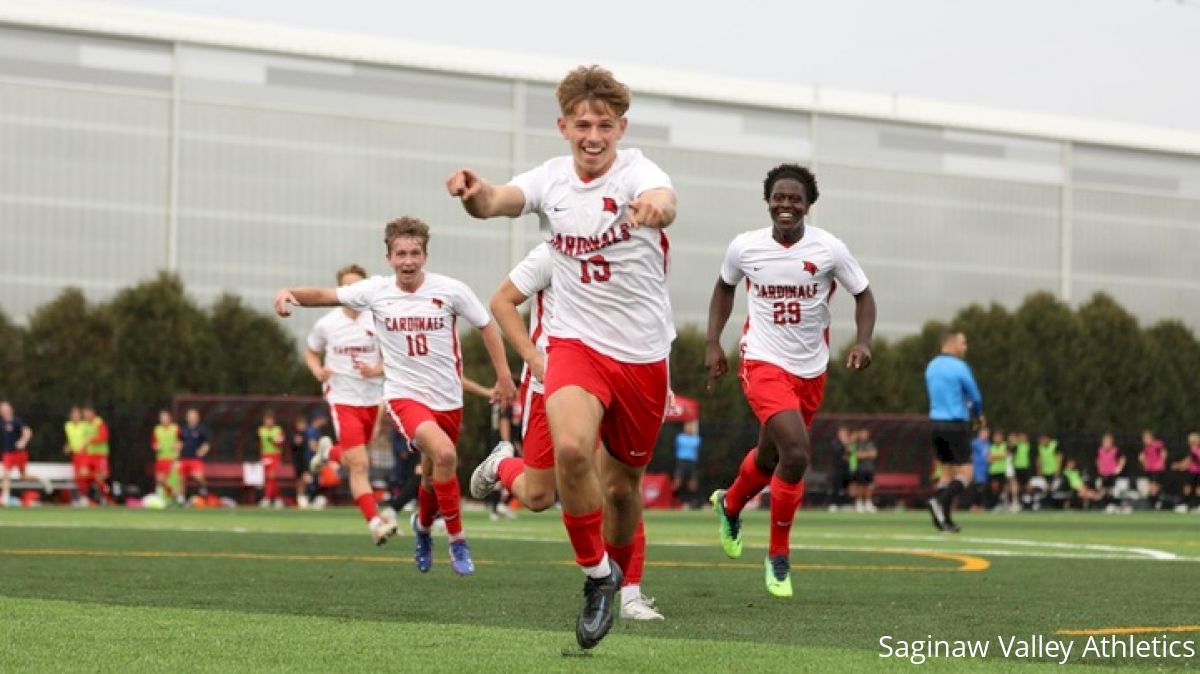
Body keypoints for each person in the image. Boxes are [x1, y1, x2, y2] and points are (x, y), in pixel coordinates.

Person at [447, 66, 675, 647]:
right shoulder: (551, 181)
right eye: (582, 124)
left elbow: (663, 198)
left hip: (644, 356)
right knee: (574, 449)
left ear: (621, 128)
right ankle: (599, 578)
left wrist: (654, 208)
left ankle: (621, 578)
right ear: (563, 127)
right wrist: (477, 194)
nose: (593, 135)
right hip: (574, 348)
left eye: (604, 124)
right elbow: (500, 199)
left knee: (622, 489)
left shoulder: (638, 171)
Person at [275, 216, 516, 576]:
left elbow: (486, 325)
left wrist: (503, 375)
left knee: (435, 475)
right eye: (401, 253)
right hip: (404, 397)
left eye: (414, 253)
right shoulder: (376, 290)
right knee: (446, 453)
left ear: (425, 255)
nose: (408, 261)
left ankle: (421, 529)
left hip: (448, 399)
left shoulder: (450, 290)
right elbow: (326, 296)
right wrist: (289, 293)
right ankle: (458, 540)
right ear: (388, 257)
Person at [705, 162, 876, 599]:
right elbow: (724, 288)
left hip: (811, 369)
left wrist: (864, 342)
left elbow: (864, 294)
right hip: (762, 360)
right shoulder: (745, 247)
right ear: (768, 201)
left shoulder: (829, 249)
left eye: (795, 199)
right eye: (779, 197)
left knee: (769, 457)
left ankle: (730, 503)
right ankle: (778, 554)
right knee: (796, 453)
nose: (786, 205)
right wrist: (713, 343)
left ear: (808, 205)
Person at [471, 241, 663, 621]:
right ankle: (502, 464)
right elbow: (501, 302)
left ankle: (628, 592)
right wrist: (532, 357)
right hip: (551, 385)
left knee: (618, 484)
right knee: (539, 496)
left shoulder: (632, 252)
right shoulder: (554, 251)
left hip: (609, 381)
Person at [303, 264, 395, 543]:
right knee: (359, 464)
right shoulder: (327, 323)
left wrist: (375, 370)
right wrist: (317, 370)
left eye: (358, 285)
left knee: (354, 457)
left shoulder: (378, 320)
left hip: (371, 398)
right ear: (341, 290)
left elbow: (393, 357)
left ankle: (328, 452)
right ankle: (375, 522)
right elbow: (310, 351)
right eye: (348, 286)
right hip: (342, 398)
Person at [924, 330, 984, 533]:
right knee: (967, 473)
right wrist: (978, 414)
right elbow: (974, 395)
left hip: (935, 424)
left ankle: (945, 521)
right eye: (963, 343)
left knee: (947, 474)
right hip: (955, 424)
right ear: (951, 344)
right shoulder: (959, 366)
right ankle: (938, 501)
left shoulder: (931, 366)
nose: (965, 347)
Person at [1, 401, 33, 507]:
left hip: (19, 454)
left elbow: (27, 431)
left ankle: (42, 481)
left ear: (10, 409)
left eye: (5, 408)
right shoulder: (1, 423)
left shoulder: (17, 421)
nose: (4, 410)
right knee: (6, 474)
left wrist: (23, 441)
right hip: (8, 454)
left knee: (24, 476)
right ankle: (5, 498)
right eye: (2, 409)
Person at [81, 404, 112, 504]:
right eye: (84, 413)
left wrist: (92, 440)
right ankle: (90, 497)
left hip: (100, 455)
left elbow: (104, 436)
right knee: (83, 474)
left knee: (100, 478)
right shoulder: (85, 424)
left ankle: (106, 497)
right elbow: (85, 439)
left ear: (92, 413)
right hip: (89, 455)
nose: (85, 414)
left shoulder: (99, 422)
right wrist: (83, 448)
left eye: (87, 412)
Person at [178, 408, 210, 503]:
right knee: (181, 478)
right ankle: (181, 499)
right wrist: (177, 453)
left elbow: (206, 444)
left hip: (195, 459)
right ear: (187, 418)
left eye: (194, 416)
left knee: (198, 476)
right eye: (190, 416)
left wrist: (202, 451)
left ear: (197, 418)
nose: (192, 418)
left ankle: (203, 489)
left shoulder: (201, 429)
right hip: (184, 458)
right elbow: (180, 442)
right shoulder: (183, 429)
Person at [151, 409, 182, 502]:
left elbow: (180, 441)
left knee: (174, 480)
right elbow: (154, 443)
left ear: (170, 418)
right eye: (162, 418)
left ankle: (178, 497)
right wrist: (156, 447)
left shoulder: (175, 428)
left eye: (165, 417)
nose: (164, 419)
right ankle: (161, 496)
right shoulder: (157, 429)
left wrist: (177, 451)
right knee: (159, 480)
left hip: (172, 459)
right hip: (161, 458)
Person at [63, 406, 92, 505]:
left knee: (83, 474)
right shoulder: (68, 426)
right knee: (77, 477)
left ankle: (85, 497)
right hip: (75, 455)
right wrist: (68, 446)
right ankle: (80, 497)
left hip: (84, 454)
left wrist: (84, 447)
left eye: (77, 414)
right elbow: (70, 440)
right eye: (73, 414)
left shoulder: (85, 425)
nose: (75, 416)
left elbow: (89, 438)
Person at [257, 410, 285, 508]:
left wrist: (274, 441)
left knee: (272, 476)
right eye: (267, 420)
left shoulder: (278, 430)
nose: (268, 422)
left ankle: (267, 498)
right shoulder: (261, 430)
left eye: (270, 420)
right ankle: (278, 498)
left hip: (275, 456)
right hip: (265, 456)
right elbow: (259, 444)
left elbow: (280, 443)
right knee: (269, 479)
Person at [673, 420, 701, 509]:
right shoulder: (680, 438)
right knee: (677, 482)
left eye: (690, 427)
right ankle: (673, 501)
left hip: (692, 463)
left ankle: (691, 502)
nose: (689, 428)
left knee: (692, 484)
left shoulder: (697, 439)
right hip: (682, 462)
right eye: (687, 426)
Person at [850, 428, 878, 513]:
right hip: (859, 469)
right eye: (862, 433)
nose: (864, 435)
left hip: (869, 469)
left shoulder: (871, 443)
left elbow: (874, 454)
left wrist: (864, 454)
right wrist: (867, 454)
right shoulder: (856, 444)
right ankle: (859, 503)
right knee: (860, 486)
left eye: (865, 433)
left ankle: (868, 503)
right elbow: (856, 455)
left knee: (869, 486)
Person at [1139, 430, 1168, 509]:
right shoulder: (1145, 447)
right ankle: (1154, 503)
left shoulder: (1158, 444)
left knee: (1155, 487)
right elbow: (1143, 457)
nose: (1144, 440)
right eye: (1143, 439)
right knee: (1151, 487)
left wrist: (1161, 462)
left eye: (1146, 438)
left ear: (1150, 438)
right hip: (1150, 469)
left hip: (1157, 469)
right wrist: (1144, 463)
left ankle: (1158, 502)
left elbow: (1164, 453)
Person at [1096, 433, 1125, 511]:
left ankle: (1114, 505)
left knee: (1110, 490)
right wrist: (1099, 468)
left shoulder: (1115, 450)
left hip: (1112, 473)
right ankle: (1105, 505)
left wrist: (1119, 468)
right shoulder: (1100, 450)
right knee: (1102, 490)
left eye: (1108, 442)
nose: (1106, 443)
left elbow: (1122, 459)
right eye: (1105, 441)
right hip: (1103, 473)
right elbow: (1098, 460)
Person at [1173, 432, 1200, 512]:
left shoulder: (1194, 450)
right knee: (1197, 489)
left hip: (1193, 472)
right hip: (1196, 472)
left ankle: (1183, 505)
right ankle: (1196, 506)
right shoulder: (1197, 450)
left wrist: (1177, 466)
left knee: (1188, 489)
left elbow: (1187, 461)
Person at [827, 426, 852, 511]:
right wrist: (844, 444)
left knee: (845, 487)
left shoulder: (848, 443)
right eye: (842, 433)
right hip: (837, 469)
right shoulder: (835, 443)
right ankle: (833, 504)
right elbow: (837, 452)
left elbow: (849, 454)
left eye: (845, 433)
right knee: (836, 487)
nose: (843, 435)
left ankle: (844, 504)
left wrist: (847, 446)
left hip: (846, 468)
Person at [968, 427, 992, 510]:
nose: (986, 435)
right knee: (977, 486)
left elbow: (988, 455)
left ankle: (980, 505)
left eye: (987, 433)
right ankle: (974, 505)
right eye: (984, 433)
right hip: (976, 467)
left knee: (982, 487)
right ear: (980, 433)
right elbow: (969, 452)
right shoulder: (974, 442)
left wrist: (990, 460)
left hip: (984, 467)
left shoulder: (988, 443)